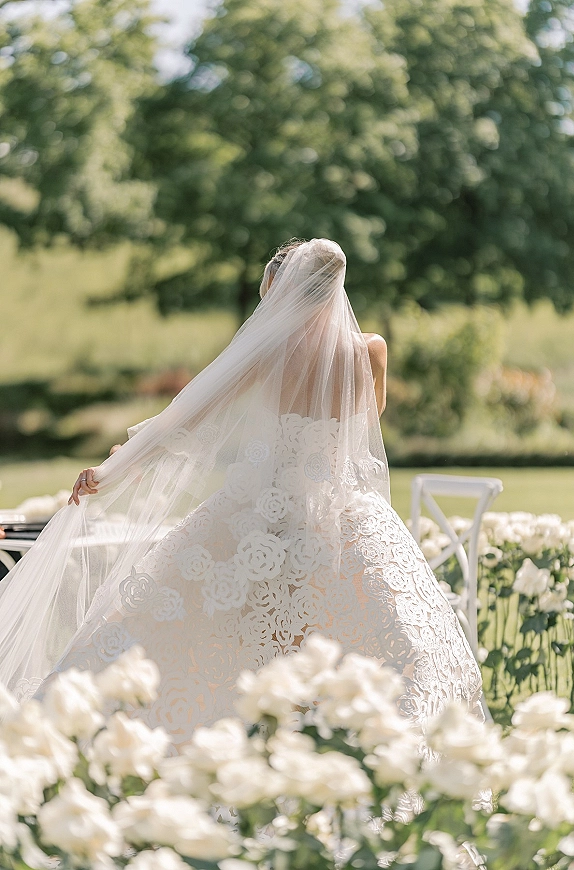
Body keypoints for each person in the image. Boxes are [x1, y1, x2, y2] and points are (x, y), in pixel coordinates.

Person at [0, 238, 483, 741]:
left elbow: (181, 421)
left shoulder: (271, 351)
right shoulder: (371, 350)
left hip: (264, 511)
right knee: (377, 634)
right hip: (343, 513)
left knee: (204, 628)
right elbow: (370, 417)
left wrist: (110, 470)